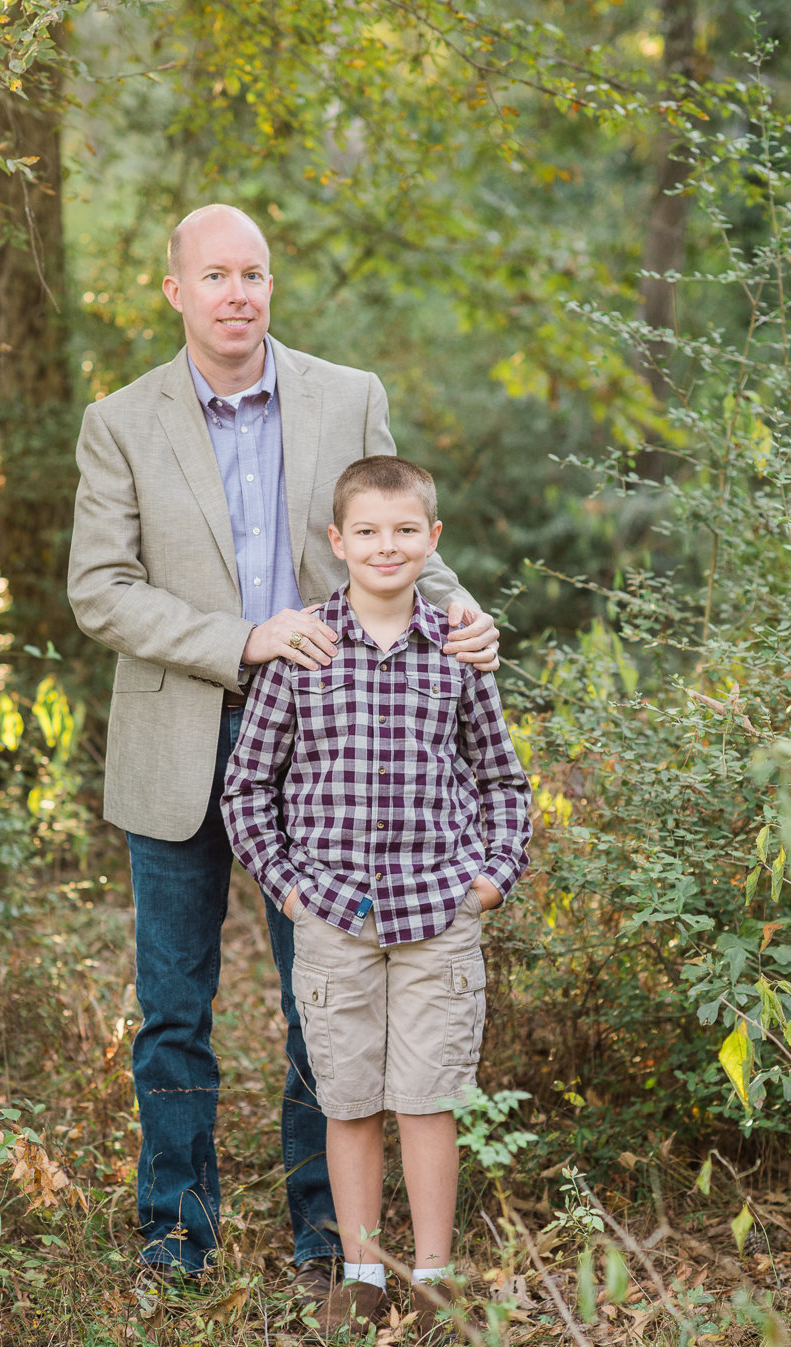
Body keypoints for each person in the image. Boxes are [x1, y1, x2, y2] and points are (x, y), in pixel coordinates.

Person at [67, 204, 503, 1291]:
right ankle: (174, 1233)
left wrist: (467, 615)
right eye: (213, 273)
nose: (235, 292)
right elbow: (98, 589)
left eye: (252, 271)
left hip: (330, 749)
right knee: (174, 1004)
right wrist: (242, 637)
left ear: (271, 285)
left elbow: (389, 536)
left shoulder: (345, 397)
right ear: (175, 291)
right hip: (179, 730)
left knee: (328, 992)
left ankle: (329, 1234)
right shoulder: (119, 421)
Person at [222, 455, 531, 1339]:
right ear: (337, 543)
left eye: (405, 531)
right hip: (334, 918)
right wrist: (287, 888)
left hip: (440, 916)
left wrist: (488, 881)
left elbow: (503, 782)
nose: (386, 546)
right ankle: (360, 1274)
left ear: (432, 540)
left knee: (429, 1095)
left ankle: (434, 1277)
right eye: (367, 531)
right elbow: (249, 789)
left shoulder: (457, 652)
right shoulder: (302, 652)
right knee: (349, 1098)